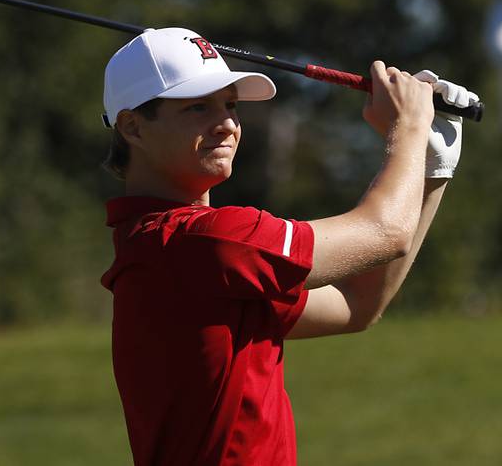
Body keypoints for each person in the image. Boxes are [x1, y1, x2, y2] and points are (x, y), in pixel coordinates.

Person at [99, 27, 479, 466]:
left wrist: (431, 166)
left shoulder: (166, 246)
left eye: (231, 105)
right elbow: (386, 232)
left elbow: (357, 303)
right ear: (132, 126)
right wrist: (409, 126)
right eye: (198, 107)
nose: (226, 124)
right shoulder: (206, 242)